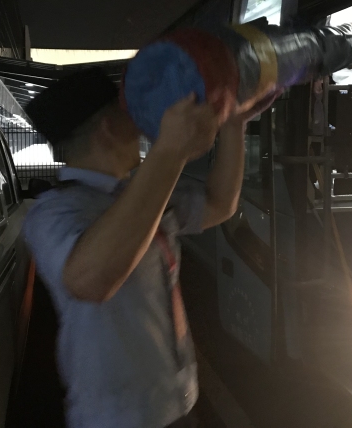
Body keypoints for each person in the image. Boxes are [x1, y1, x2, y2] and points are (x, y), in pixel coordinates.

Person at [23, 68, 276, 428]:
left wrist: (235, 126)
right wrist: (170, 150)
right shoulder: (53, 211)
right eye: (129, 116)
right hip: (117, 420)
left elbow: (219, 204)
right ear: (109, 128)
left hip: (179, 403)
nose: (142, 126)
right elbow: (90, 280)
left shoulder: (140, 192)